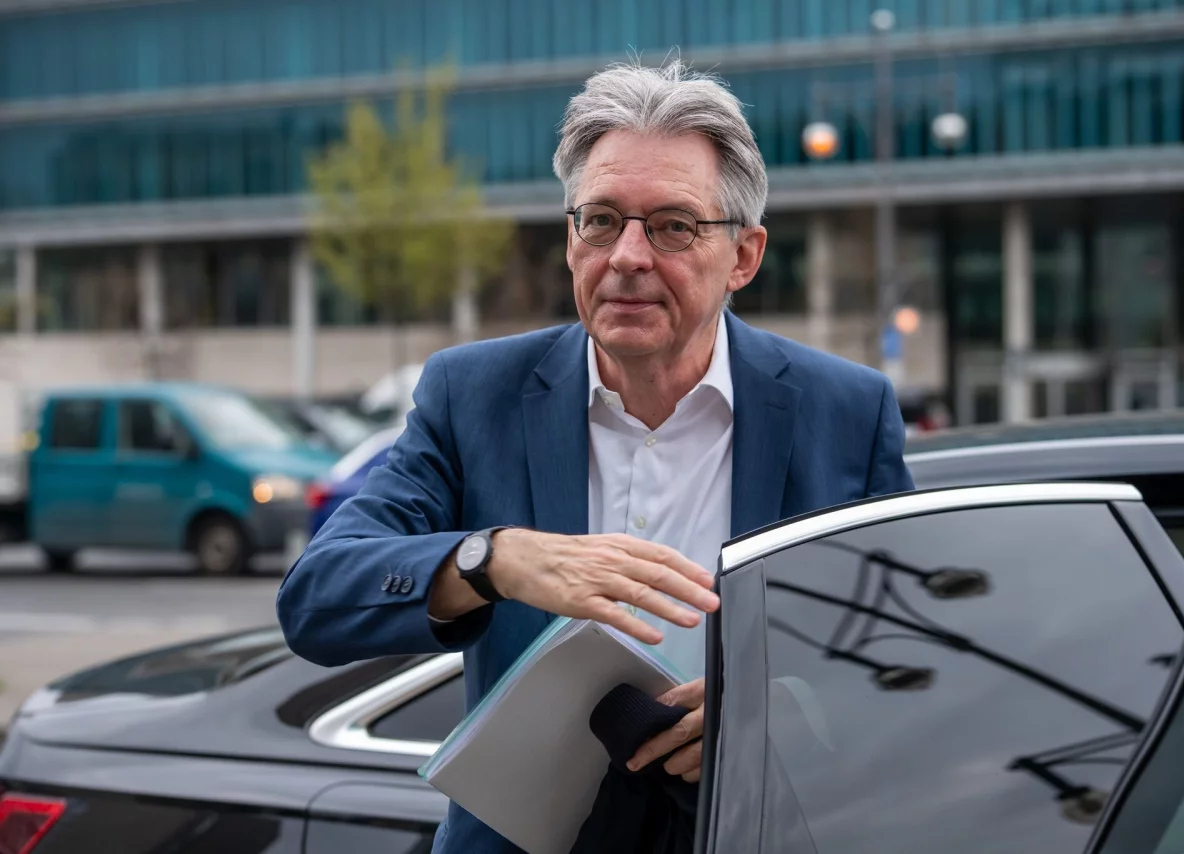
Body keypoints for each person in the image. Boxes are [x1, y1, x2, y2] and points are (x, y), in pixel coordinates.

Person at [276, 57, 915, 854]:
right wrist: (494, 560)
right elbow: (316, 599)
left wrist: (783, 706)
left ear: (744, 257)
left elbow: (905, 653)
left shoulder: (845, 413)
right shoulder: (473, 396)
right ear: (571, 239)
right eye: (602, 220)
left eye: (673, 226)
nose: (628, 256)